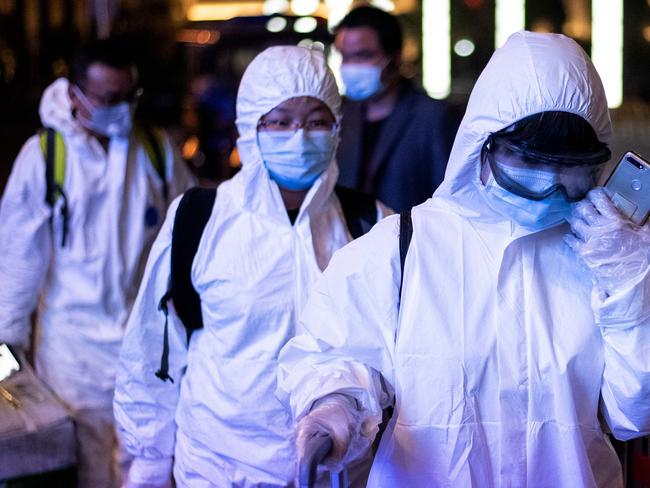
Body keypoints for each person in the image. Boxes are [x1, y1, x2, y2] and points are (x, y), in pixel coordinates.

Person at [278, 31, 650, 486]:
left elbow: (635, 413)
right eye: (528, 165)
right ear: (482, 144)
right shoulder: (402, 248)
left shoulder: (605, 257)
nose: (550, 188)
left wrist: (633, 289)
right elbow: (331, 355)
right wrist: (333, 403)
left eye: (571, 170)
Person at [114, 45, 390, 487]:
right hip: (218, 466)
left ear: (337, 127)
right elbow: (154, 351)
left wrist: (350, 411)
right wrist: (147, 465)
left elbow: (394, 358)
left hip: (335, 472)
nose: (299, 137)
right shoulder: (201, 220)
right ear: (250, 127)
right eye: (280, 121)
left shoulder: (372, 226)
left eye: (316, 121)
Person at [0, 39, 194, 488]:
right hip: (71, 352)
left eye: (130, 96)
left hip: (143, 343)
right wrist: (7, 344)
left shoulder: (156, 152)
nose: (121, 108)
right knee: (89, 468)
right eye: (109, 99)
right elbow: (17, 258)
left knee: (147, 463)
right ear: (74, 95)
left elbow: (185, 238)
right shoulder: (45, 158)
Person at [334, 5, 458, 212]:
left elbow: (448, 200)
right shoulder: (341, 115)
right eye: (345, 56)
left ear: (395, 57)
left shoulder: (433, 118)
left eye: (363, 56)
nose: (350, 66)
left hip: (409, 240)